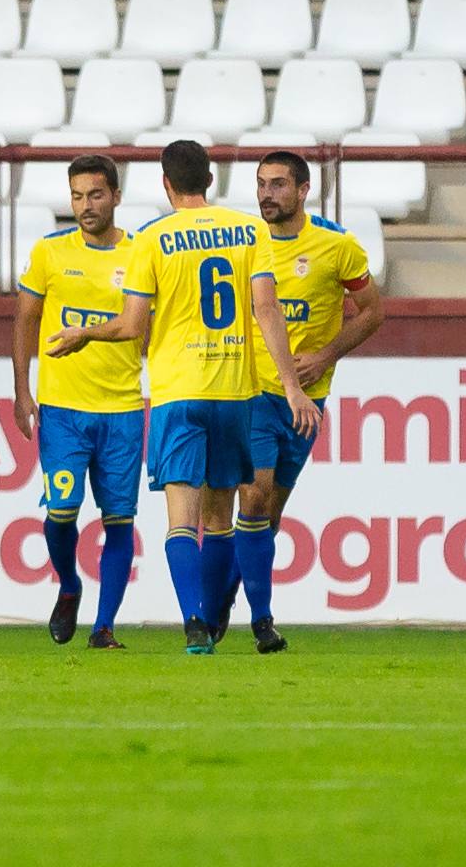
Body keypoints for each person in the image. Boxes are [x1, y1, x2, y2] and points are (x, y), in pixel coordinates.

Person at [50, 140, 316, 655]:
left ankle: (195, 624)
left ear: (166, 184)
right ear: (210, 181)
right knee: (222, 519)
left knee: (181, 520)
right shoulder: (248, 230)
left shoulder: (151, 238)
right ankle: (233, 618)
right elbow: (267, 309)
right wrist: (291, 385)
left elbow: (131, 325)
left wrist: (86, 333)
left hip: (178, 393)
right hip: (235, 392)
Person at [211, 150, 384, 647]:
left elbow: (373, 312)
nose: (267, 194)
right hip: (253, 391)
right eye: (261, 184)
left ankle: (225, 595)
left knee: (270, 515)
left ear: (304, 190)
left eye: (279, 184)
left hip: (308, 400)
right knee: (255, 494)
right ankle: (263, 623)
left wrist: (327, 354)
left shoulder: (336, 246)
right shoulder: (244, 243)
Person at [12, 156, 144, 650]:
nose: (85, 206)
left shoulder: (139, 254)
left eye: (95, 195)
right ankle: (68, 583)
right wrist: (22, 390)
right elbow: (25, 321)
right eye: (77, 196)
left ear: (115, 195)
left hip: (123, 409)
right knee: (62, 510)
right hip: (63, 409)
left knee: (118, 521)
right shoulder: (49, 252)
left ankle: (104, 627)